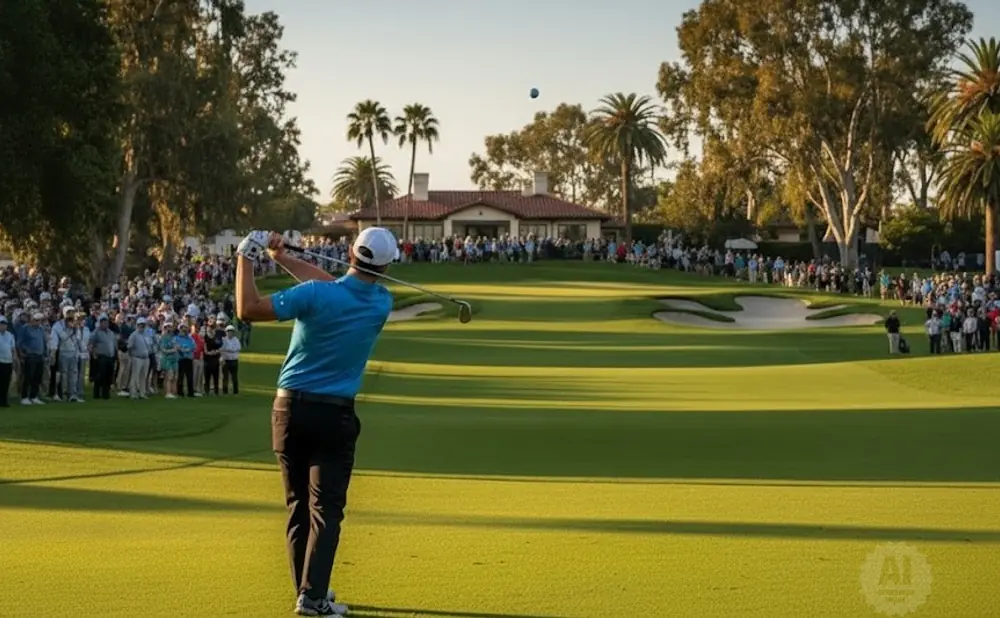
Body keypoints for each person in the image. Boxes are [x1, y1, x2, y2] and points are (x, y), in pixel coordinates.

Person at [233, 228, 395, 617]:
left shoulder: (314, 296)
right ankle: (313, 596)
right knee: (326, 510)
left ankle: (309, 593)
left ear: (350, 252)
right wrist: (281, 258)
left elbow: (248, 309)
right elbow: (333, 286)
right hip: (334, 415)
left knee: (298, 507)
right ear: (387, 266)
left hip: (288, 411)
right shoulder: (381, 303)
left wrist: (247, 255)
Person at [17, 311, 48, 405]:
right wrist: (25, 351)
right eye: (37, 320)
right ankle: (24, 397)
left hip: (40, 356)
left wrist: (45, 353)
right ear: (32, 320)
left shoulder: (41, 329)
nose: (39, 322)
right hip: (30, 356)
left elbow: (43, 341)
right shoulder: (25, 328)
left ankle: (34, 396)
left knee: (37, 377)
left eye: (40, 320)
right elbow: (20, 343)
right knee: (28, 377)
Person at [89, 314, 117, 400]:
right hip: (100, 357)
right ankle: (97, 394)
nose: (105, 324)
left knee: (109, 376)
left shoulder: (111, 333)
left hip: (110, 357)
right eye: (103, 322)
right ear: (100, 323)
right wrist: (94, 356)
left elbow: (114, 344)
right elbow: (91, 345)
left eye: (106, 322)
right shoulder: (96, 333)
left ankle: (106, 393)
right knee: (100, 376)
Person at [127, 318, 151, 399]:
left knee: (143, 376)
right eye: (140, 324)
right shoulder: (134, 335)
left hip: (146, 358)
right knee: (135, 376)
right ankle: (133, 393)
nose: (142, 326)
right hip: (137, 358)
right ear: (137, 325)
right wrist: (132, 356)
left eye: (143, 324)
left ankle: (142, 393)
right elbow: (129, 347)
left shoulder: (146, 334)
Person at [0, 316, 16, 407]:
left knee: (6, 382)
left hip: (8, 362)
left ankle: (3, 401)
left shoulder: (10, 335)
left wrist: (15, 359)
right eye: (1, 324)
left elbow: (13, 349)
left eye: (4, 324)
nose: (2, 326)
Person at [220, 325, 241, 394]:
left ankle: (235, 391)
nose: (230, 333)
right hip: (226, 360)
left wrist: (227, 350)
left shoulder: (236, 340)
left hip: (234, 360)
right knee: (225, 377)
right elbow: (222, 349)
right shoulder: (223, 340)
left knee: (234, 377)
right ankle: (225, 391)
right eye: (228, 331)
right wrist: (228, 350)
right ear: (226, 332)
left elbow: (236, 349)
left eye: (231, 331)